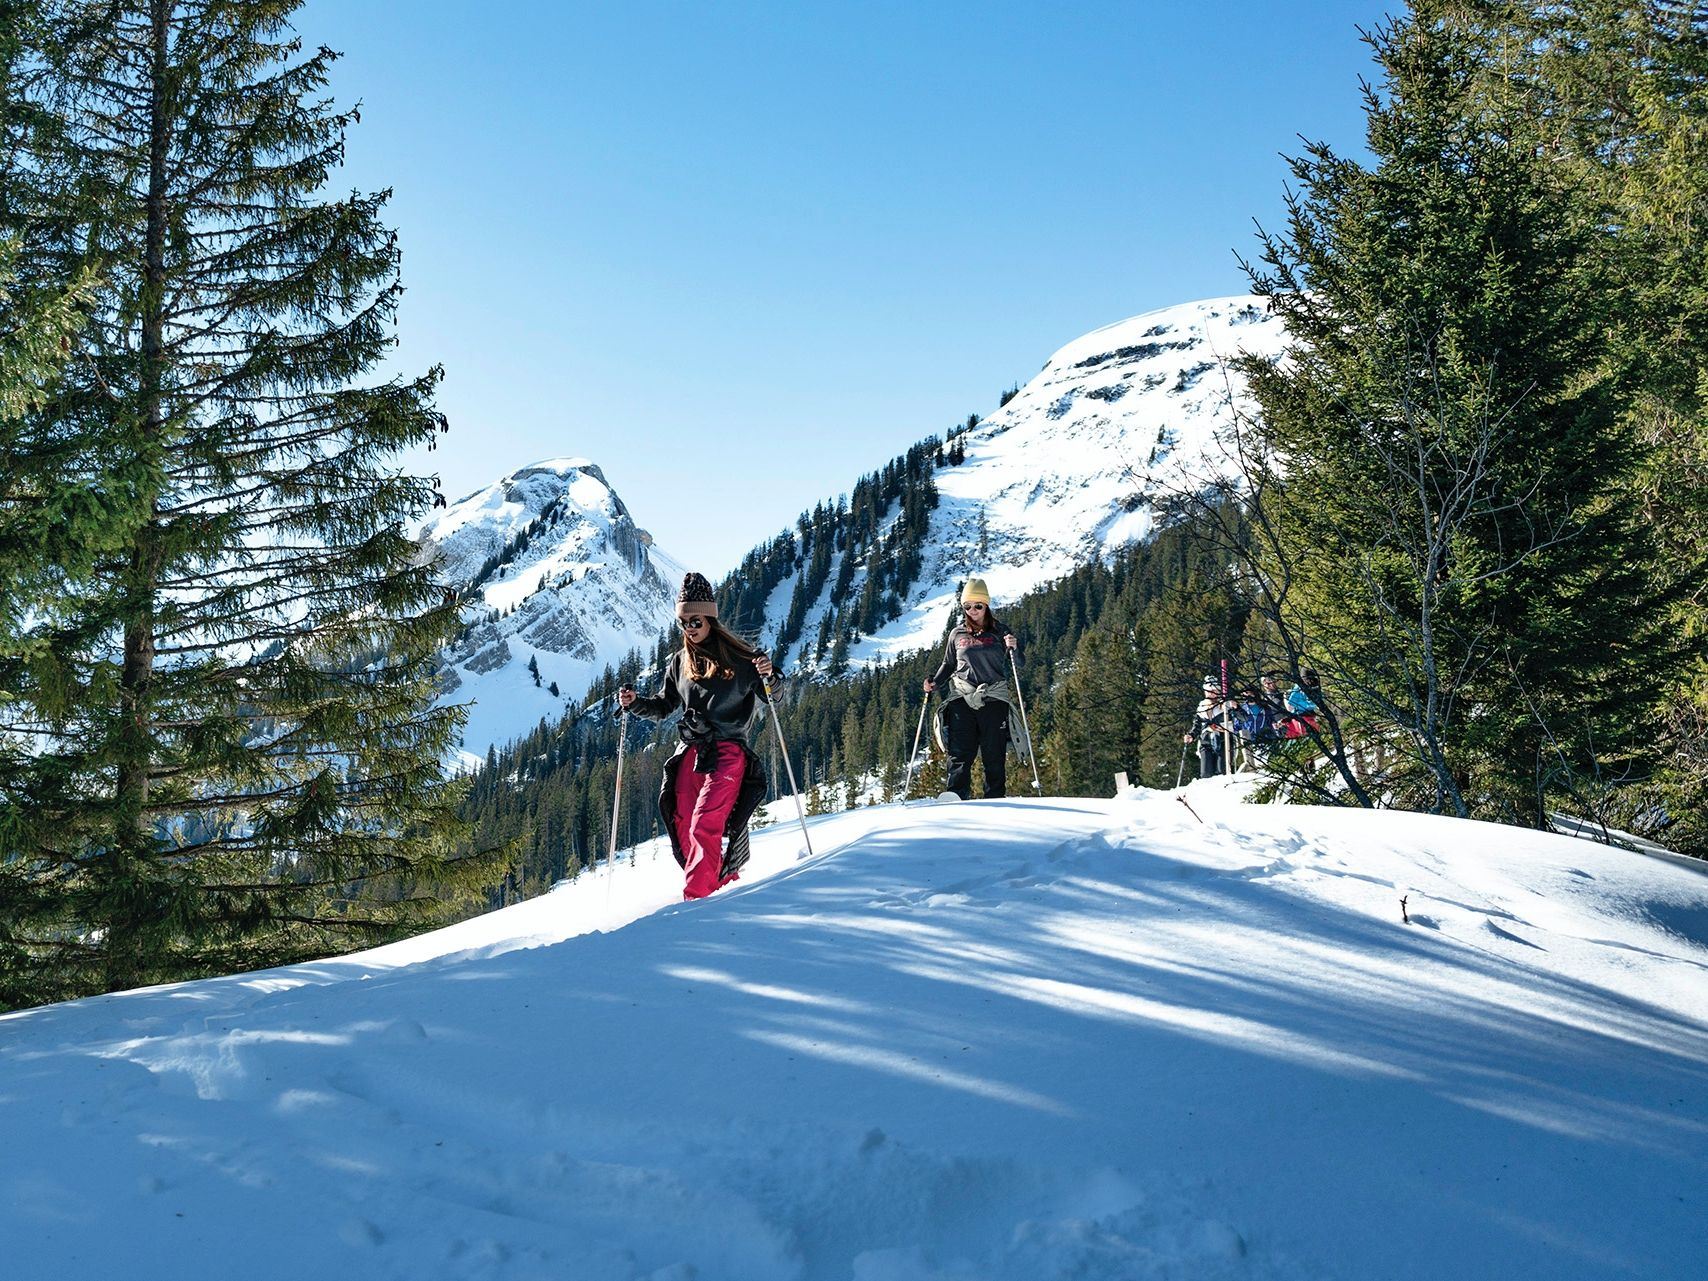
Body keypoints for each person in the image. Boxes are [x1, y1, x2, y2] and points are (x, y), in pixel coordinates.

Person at [618, 572, 776, 900]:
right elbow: (664, 706)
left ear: (710, 619)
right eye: (683, 623)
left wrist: (769, 675)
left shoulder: (742, 659)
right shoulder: (680, 662)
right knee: (682, 824)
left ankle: (696, 903)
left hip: (729, 751)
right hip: (691, 751)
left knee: (704, 824)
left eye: (695, 621)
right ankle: (715, 887)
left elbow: (772, 695)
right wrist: (635, 705)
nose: (689, 629)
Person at [923, 577, 1020, 800]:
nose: (973, 610)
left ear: (986, 605)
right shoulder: (957, 634)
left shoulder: (1001, 632)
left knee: (993, 752)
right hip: (961, 696)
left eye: (978, 605)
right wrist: (934, 683)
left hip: (993, 697)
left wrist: (1014, 647)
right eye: (967, 606)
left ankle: (994, 797)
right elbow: (948, 664)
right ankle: (956, 794)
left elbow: (1019, 661)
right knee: (959, 751)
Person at [1184, 675, 1235, 777]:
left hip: (1223, 741)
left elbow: (1238, 721)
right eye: (1208, 692)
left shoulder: (1226, 706)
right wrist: (1191, 735)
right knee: (1206, 773)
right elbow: (1197, 725)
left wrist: (1236, 708)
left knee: (1222, 771)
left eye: (1213, 691)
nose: (1211, 694)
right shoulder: (1202, 707)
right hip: (1206, 741)